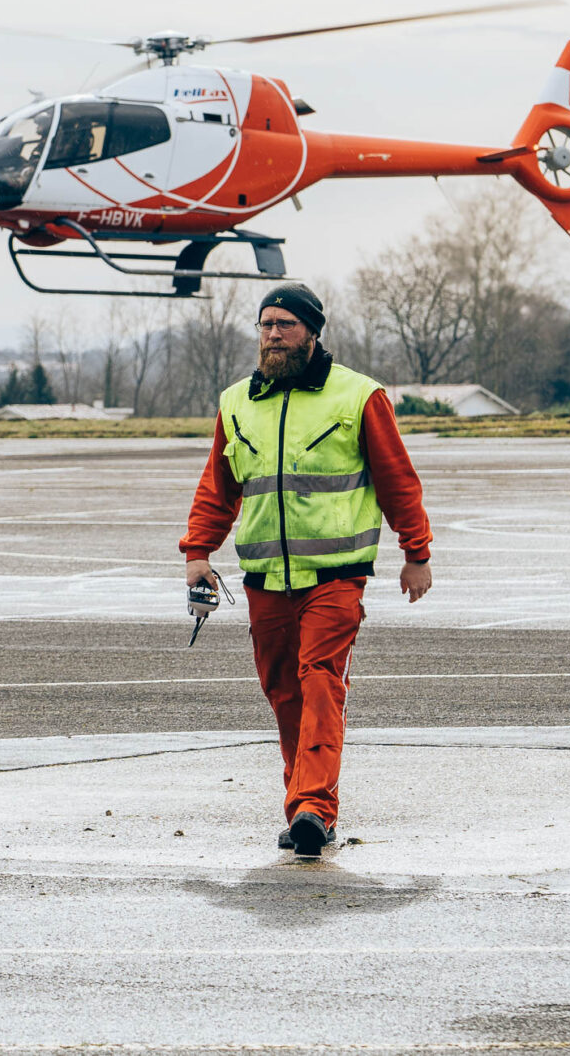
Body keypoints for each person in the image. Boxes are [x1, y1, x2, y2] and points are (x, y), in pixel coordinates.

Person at [180, 283, 432, 858]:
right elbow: (218, 489)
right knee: (283, 692)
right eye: (265, 325)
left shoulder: (360, 397)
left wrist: (416, 552)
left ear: (312, 333)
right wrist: (198, 553)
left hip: (336, 577)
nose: (272, 334)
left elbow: (397, 478)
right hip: (264, 580)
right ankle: (304, 806)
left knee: (321, 681)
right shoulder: (236, 402)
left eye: (285, 325)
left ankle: (313, 807)